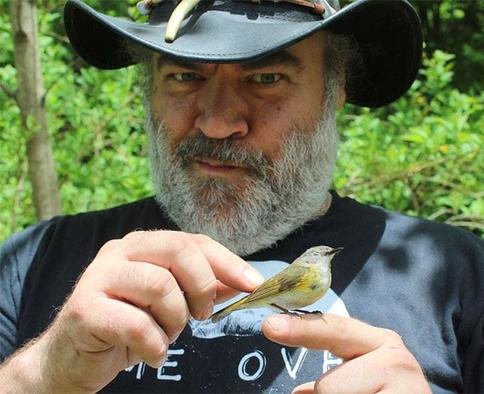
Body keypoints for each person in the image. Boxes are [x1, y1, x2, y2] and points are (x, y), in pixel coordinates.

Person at [0, 0, 482, 392]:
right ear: (148, 91)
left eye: (266, 77)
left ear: (336, 90)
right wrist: (41, 375)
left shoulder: (453, 272)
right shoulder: (32, 262)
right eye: (186, 76)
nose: (218, 121)